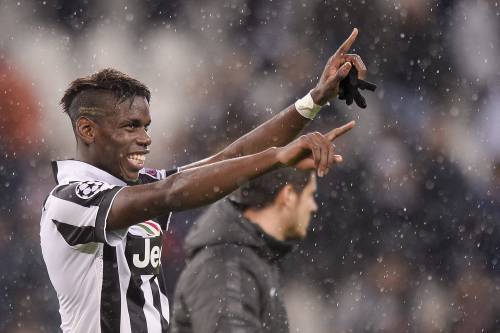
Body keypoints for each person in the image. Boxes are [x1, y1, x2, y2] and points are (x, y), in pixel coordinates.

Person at [40, 28, 366, 333]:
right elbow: (171, 193)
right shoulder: (69, 201)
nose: (145, 139)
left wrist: (314, 100)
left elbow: (227, 159)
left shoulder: (139, 187)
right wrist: (276, 158)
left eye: (146, 127)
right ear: (87, 130)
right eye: (131, 126)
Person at [170, 168, 318, 333]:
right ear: (288, 195)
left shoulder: (250, 256)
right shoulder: (227, 265)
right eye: (311, 194)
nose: (314, 207)